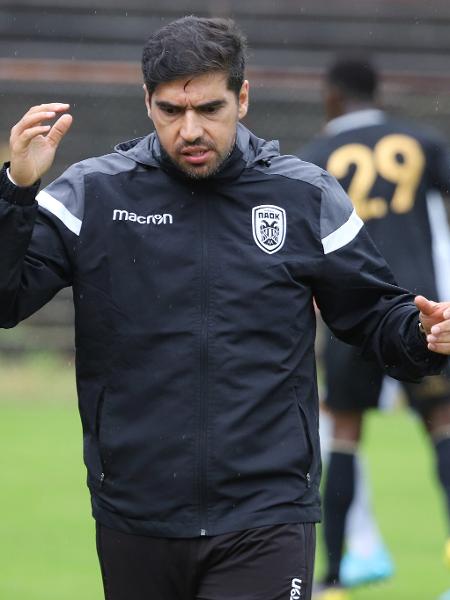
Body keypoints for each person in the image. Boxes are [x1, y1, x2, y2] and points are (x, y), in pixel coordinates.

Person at [2, 19, 450, 600]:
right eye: (170, 111)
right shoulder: (94, 194)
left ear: (242, 97)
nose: (190, 130)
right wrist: (16, 188)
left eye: (209, 108)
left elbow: (372, 316)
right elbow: (7, 300)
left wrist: (422, 333)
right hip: (137, 511)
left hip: (266, 511)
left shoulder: (304, 194)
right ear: (147, 102)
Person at [299, 57, 450, 599]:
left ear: (331, 96)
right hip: (425, 311)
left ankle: (334, 580)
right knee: (442, 424)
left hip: (353, 314)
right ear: (376, 92)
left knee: (343, 433)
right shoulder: (421, 141)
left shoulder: (315, 158)